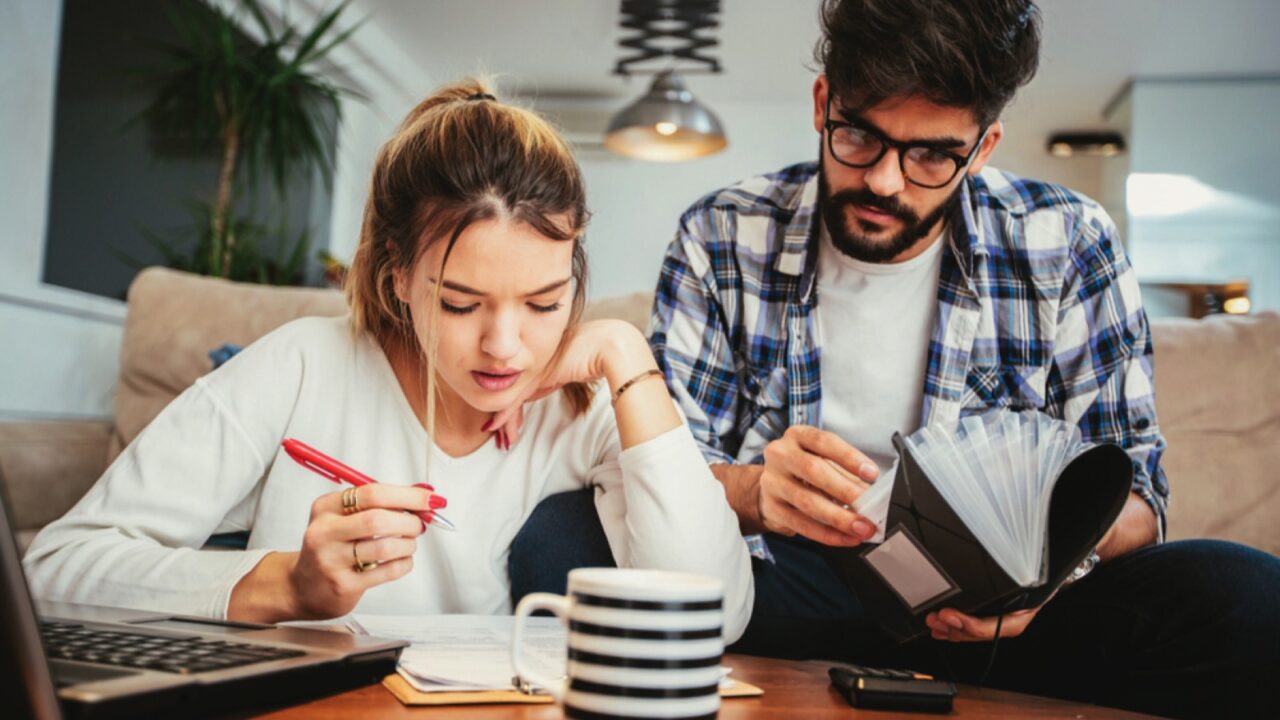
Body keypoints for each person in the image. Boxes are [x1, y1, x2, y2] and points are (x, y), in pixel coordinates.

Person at [643, 1, 1279, 717]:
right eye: (859, 136)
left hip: (1014, 614)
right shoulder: (722, 233)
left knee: (1250, 601)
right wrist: (756, 493)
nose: (885, 181)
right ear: (824, 103)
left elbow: (1141, 499)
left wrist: (1045, 575)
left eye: (931, 155)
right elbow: (666, 467)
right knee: (563, 538)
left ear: (982, 147)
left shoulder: (1069, 242)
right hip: (794, 583)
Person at [22, 79, 753, 642]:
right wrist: (285, 586)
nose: (505, 347)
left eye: (542, 302)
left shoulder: (587, 405)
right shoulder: (305, 365)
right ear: (398, 276)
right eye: (461, 303)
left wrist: (629, 358)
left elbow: (712, 614)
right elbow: (53, 569)